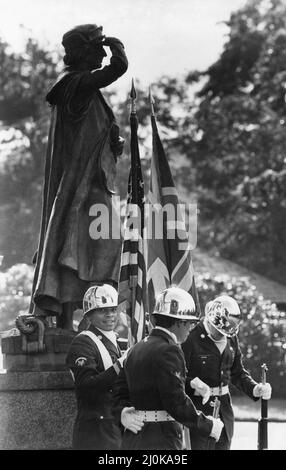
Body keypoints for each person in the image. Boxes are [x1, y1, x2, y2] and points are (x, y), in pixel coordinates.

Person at [30, 23, 128, 329]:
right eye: (97, 45)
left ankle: (82, 315)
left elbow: (91, 131)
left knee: (91, 245)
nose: (102, 50)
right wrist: (118, 49)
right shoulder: (73, 83)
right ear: (83, 51)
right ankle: (73, 316)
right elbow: (116, 70)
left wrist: (112, 142)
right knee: (95, 242)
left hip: (93, 182)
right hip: (83, 186)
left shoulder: (82, 88)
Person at [113, 286, 224, 450]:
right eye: (190, 324)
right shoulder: (170, 350)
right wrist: (207, 425)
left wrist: (121, 411)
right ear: (180, 322)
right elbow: (176, 402)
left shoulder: (135, 349)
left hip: (134, 438)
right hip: (161, 440)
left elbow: (120, 391)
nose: (190, 329)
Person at [182, 294, 272, 450]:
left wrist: (254, 388)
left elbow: (237, 372)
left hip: (224, 409)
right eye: (219, 331)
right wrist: (192, 384)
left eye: (226, 332)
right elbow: (177, 375)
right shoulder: (191, 337)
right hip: (199, 411)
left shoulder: (231, 337)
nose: (222, 335)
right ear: (210, 319)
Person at [66, 284, 143, 450]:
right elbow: (87, 387)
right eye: (103, 310)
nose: (110, 315)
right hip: (96, 431)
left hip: (118, 427)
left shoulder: (115, 341)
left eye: (113, 310)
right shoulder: (83, 342)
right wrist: (121, 365)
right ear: (89, 316)